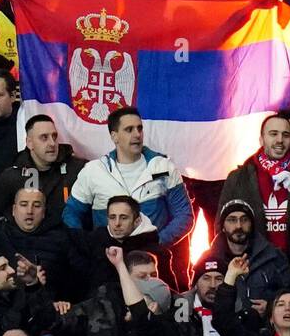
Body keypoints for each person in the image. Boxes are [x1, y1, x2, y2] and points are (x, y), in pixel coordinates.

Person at [62, 107, 193, 252]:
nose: (137, 134)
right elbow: (71, 212)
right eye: (129, 130)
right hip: (106, 262)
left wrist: (157, 241)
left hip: (151, 261)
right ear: (114, 136)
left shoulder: (163, 167)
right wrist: (88, 245)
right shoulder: (94, 171)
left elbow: (184, 215)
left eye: (139, 128)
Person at [219, 112, 290, 256]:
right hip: (253, 265)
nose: (280, 140)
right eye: (273, 134)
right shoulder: (238, 178)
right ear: (261, 140)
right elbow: (221, 226)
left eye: (286, 135)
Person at [0, 115, 87, 220]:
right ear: (29, 143)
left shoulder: (78, 170)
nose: (52, 143)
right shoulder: (12, 176)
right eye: (44, 137)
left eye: (54, 136)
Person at [197, 200, 288, 311]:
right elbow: (195, 298)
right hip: (222, 325)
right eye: (232, 220)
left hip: (266, 325)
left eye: (244, 220)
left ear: (252, 225)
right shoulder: (207, 260)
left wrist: (271, 307)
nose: (239, 225)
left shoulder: (273, 256)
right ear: (223, 226)